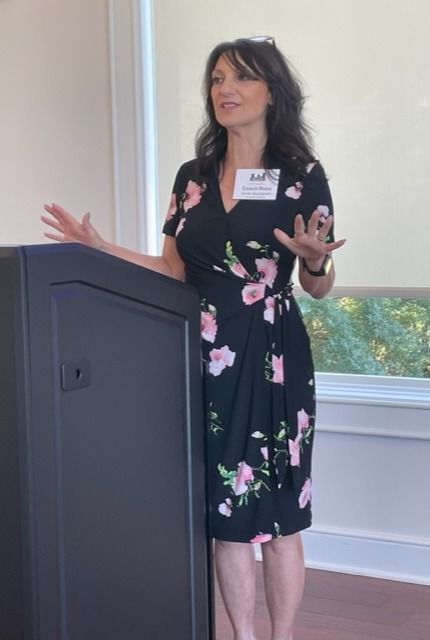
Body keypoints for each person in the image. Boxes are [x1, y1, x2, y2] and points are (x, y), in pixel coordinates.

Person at [42, 37, 345, 640]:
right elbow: (173, 270)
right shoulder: (193, 177)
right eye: (216, 79)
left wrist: (314, 260)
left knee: (280, 513)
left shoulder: (302, 176)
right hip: (202, 354)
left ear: (272, 93)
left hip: (274, 356)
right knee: (223, 512)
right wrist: (98, 248)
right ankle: (243, 636)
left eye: (241, 78)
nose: (225, 90)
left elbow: (318, 286)